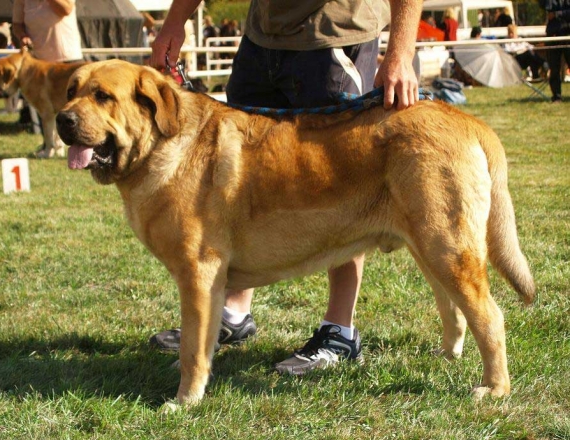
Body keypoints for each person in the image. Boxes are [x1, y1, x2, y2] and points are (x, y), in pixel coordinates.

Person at [149, 0, 422, 375]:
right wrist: (174, 22)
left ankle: (339, 330)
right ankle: (232, 311)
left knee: (340, 181)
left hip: (334, 35)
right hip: (262, 40)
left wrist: (401, 53)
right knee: (241, 177)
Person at [12, 0, 83, 158]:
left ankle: (80, 146)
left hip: (68, 58)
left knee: (75, 107)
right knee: (46, 109)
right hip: (39, 61)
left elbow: (66, 9)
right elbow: (16, 24)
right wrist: (22, 35)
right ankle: (51, 146)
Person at [539, 0, 570, 103]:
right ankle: (556, 96)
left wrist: (556, 14)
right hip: (553, 34)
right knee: (554, 68)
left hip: (568, 33)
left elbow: (553, 14)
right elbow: (543, 5)